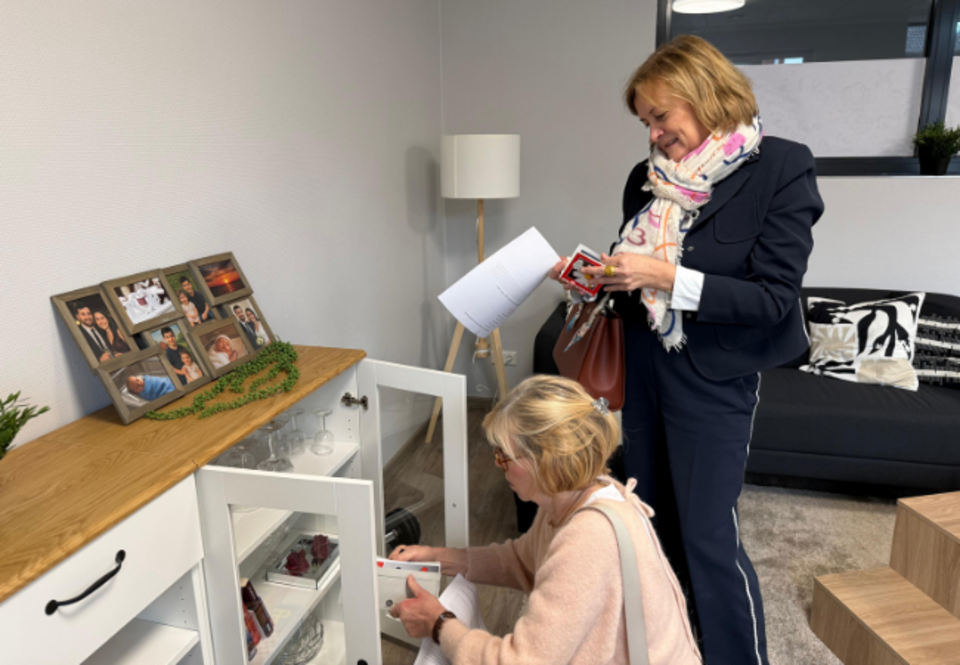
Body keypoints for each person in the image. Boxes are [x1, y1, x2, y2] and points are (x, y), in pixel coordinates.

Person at [548, 36, 824, 665]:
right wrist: (593, 280)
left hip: (716, 376)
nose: (652, 134)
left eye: (660, 116)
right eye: (645, 122)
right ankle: (674, 648)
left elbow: (772, 298)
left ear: (704, 95)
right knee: (653, 525)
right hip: (645, 368)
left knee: (707, 537)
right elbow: (634, 285)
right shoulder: (643, 181)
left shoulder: (780, 166)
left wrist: (663, 276)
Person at [389, 376, 702, 665]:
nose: (499, 466)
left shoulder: (588, 537)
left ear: (547, 460)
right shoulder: (572, 497)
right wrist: (437, 558)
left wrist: (439, 624)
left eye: (503, 456)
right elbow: (520, 560)